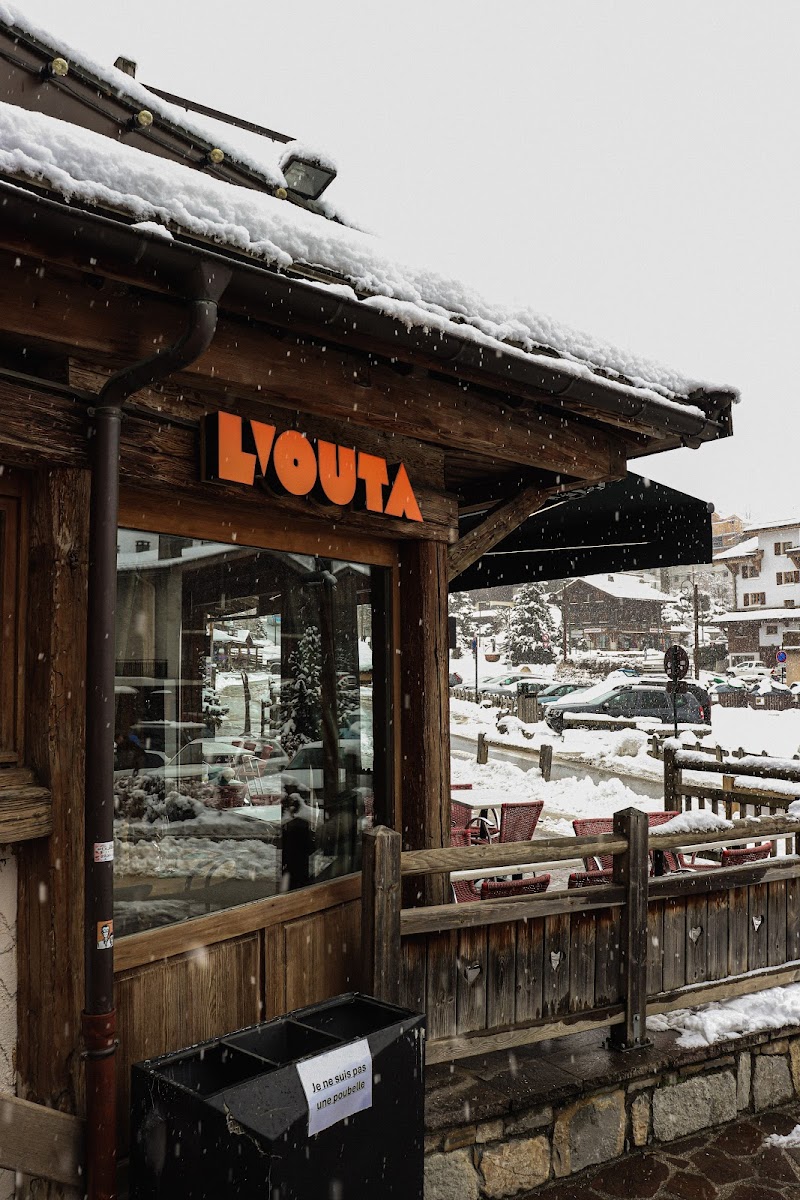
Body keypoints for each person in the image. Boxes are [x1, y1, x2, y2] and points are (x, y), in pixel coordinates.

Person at [281, 792, 317, 890]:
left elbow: (286, 845)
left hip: (293, 861)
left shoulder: (289, 823)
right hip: (302, 861)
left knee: (292, 882)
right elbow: (310, 846)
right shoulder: (303, 821)